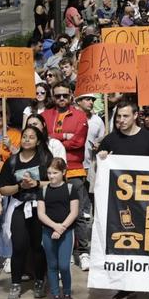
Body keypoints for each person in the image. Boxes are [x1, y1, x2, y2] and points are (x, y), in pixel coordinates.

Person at [96, 101, 149, 299]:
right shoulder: (110, 140)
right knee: (125, 245)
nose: (121, 120)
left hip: (148, 205)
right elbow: (100, 174)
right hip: (121, 206)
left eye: (125, 116)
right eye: (118, 117)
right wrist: (101, 159)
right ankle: (125, 287)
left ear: (135, 115)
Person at [0, 125, 51, 299]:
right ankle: (15, 283)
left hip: (39, 207)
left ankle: (39, 280)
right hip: (19, 206)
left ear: (38, 141)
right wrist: (20, 186)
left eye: (31, 137)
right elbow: (3, 189)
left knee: (38, 246)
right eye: (24, 136)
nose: (27, 140)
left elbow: (55, 181)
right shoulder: (12, 161)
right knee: (18, 245)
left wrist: (36, 184)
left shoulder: (45, 158)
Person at [40, 83, 90, 271]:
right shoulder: (45, 115)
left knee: (80, 213)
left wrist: (56, 138)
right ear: (53, 96)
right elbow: (43, 138)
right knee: (54, 211)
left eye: (65, 95)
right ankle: (62, 251)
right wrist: (64, 135)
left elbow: (78, 141)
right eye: (58, 95)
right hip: (51, 172)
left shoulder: (79, 115)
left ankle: (83, 252)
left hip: (74, 169)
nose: (61, 98)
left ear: (71, 96)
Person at [37, 157, 79, 299]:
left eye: (55, 173)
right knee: (52, 265)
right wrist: (54, 227)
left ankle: (67, 294)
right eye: (49, 173)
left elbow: (74, 212)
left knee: (63, 265)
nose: (51, 176)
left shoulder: (70, 189)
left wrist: (61, 228)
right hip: (48, 232)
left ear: (63, 172)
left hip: (66, 232)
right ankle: (55, 296)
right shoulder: (43, 190)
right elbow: (41, 214)